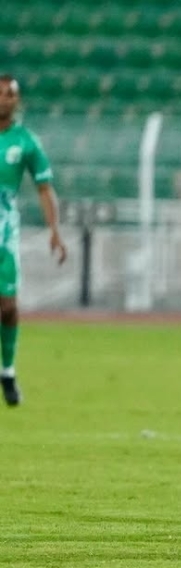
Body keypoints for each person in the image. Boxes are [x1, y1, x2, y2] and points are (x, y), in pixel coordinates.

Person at [0, 75, 68, 406]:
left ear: (18, 101)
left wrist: (54, 229)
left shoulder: (26, 141)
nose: (4, 99)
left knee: (9, 308)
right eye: (0, 93)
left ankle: (7, 372)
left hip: (4, 233)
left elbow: (44, 188)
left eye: (10, 94)